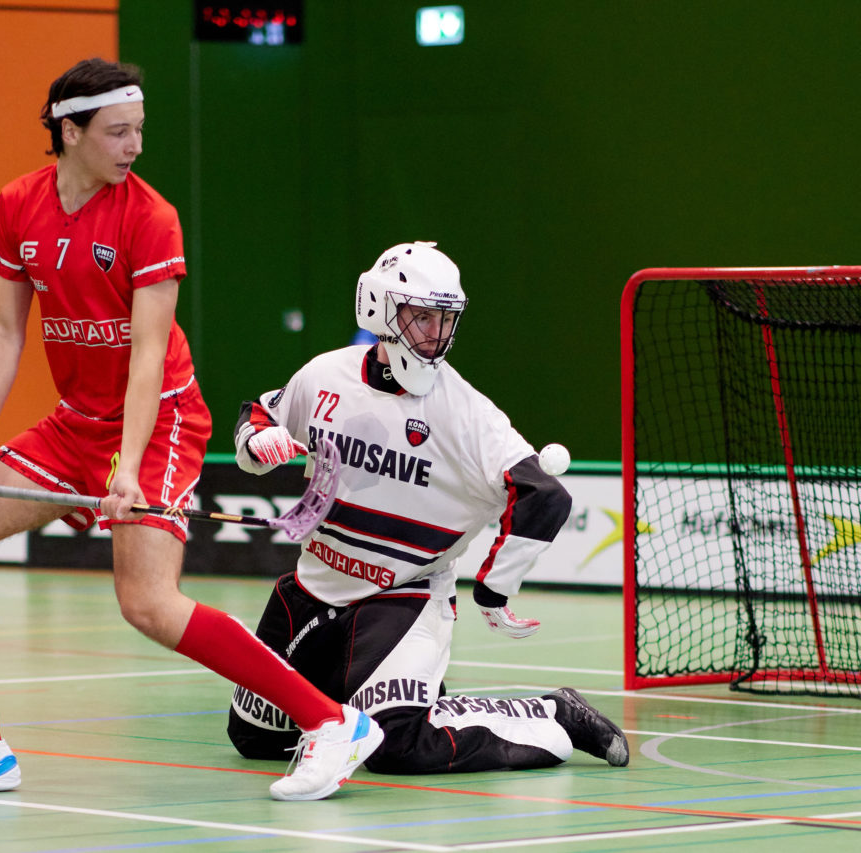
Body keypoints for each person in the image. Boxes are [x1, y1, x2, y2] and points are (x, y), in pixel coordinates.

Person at [0, 58, 382, 802]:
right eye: (117, 132)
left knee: (146, 601)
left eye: (139, 129)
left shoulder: (150, 217)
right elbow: (4, 330)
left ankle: (332, 723)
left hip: (161, 418)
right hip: (75, 422)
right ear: (68, 131)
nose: (134, 145)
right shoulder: (19, 203)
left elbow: (150, 351)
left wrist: (128, 467)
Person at [226, 241, 631, 774]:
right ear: (378, 309)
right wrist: (257, 446)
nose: (436, 336)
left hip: (403, 598)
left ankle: (549, 713)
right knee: (254, 739)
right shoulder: (325, 374)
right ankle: (392, 697)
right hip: (312, 590)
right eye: (421, 318)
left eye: (445, 320)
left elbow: (545, 495)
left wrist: (493, 587)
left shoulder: (467, 413)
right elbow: (258, 413)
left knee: (396, 747)